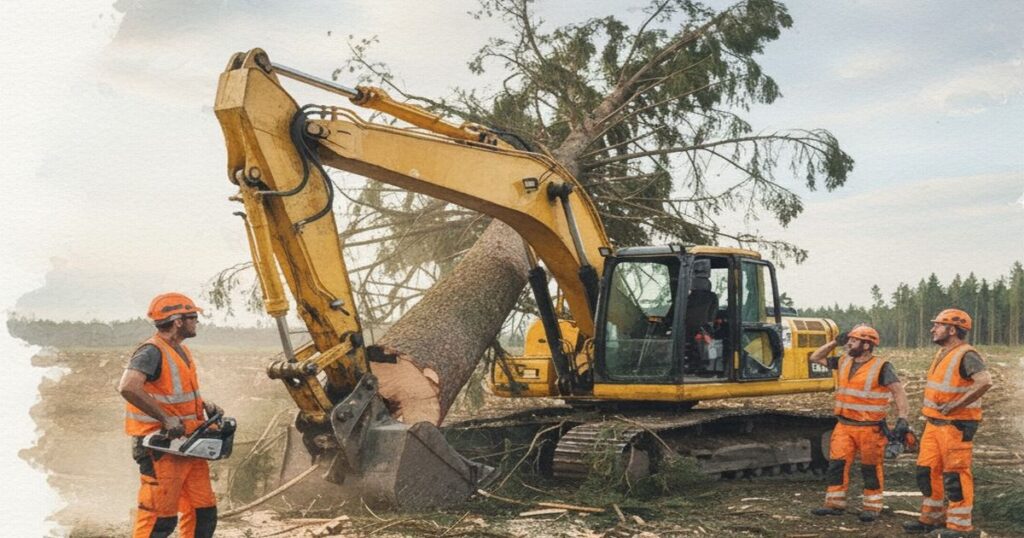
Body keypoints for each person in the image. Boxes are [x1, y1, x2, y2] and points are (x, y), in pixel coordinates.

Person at [118, 293, 223, 538]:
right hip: (161, 447)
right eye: (192, 317)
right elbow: (129, 386)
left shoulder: (181, 350)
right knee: (159, 520)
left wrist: (204, 405)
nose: (196, 322)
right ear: (177, 321)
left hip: (189, 443)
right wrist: (166, 419)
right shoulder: (151, 351)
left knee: (203, 513)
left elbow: (171, 393)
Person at [903, 309, 992, 537]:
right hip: (935, 424)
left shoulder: (966, 354)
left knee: (956, 475)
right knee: (926, 470)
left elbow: (984, 381)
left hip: (956, 425)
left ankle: (960, 526)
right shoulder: (944, 353)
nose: (932, 329)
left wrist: (956, 405)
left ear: (952, 330)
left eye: (938, 325)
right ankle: (931, 518)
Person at [809, 324, 910, 522]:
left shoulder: (882, 366)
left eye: (853, 341)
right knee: (837, 465)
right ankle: (834, 504)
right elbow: (815, 357)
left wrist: (903, 418)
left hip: (870, 428)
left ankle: (872, 506)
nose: (848, 344)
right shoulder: (844, 361)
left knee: (870, 467)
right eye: (849, 340)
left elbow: (898, 392)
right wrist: (834, 342)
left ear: (866, 345)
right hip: (844, 425)